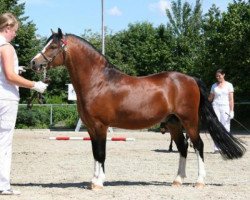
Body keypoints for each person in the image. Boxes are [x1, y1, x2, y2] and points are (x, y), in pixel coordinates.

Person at [0, 12, 48, 195]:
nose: (15, 34)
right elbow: (10, 78)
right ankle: (3, 185)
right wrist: (35, 85)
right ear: (7, 28)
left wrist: (15, 68)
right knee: (4, 142)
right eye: (14, 31)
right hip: (6, 98)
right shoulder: (7, 47)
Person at [208, 69, 234, 153]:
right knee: (216, 126)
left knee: (226, 126)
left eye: (219, 75)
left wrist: (232, 110)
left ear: (223, 75)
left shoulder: (229, 85)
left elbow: (231, 99)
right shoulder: (213, 86)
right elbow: (211, 98)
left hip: (225, 107)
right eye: (216, 76)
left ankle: (227, 147)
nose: (218, 77)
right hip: (215, 106)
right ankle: (217, 148)